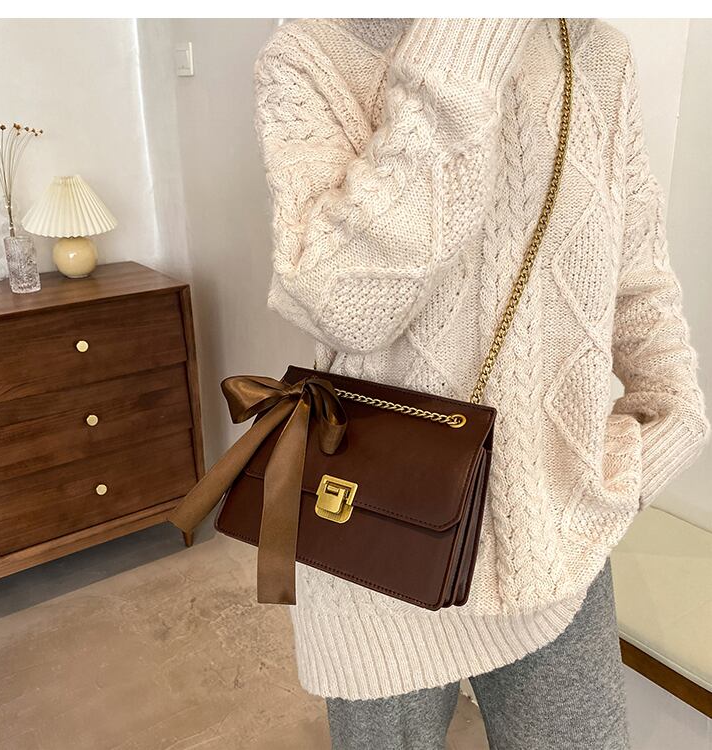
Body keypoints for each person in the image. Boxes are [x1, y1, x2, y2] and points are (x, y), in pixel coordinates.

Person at [252, 18, 709, 750]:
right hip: (378, 542)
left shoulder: (591, 52)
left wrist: (669, 428)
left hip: (554, 533)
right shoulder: (314, 52)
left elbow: (637, 280)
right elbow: (345, 306)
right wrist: (469, 36)